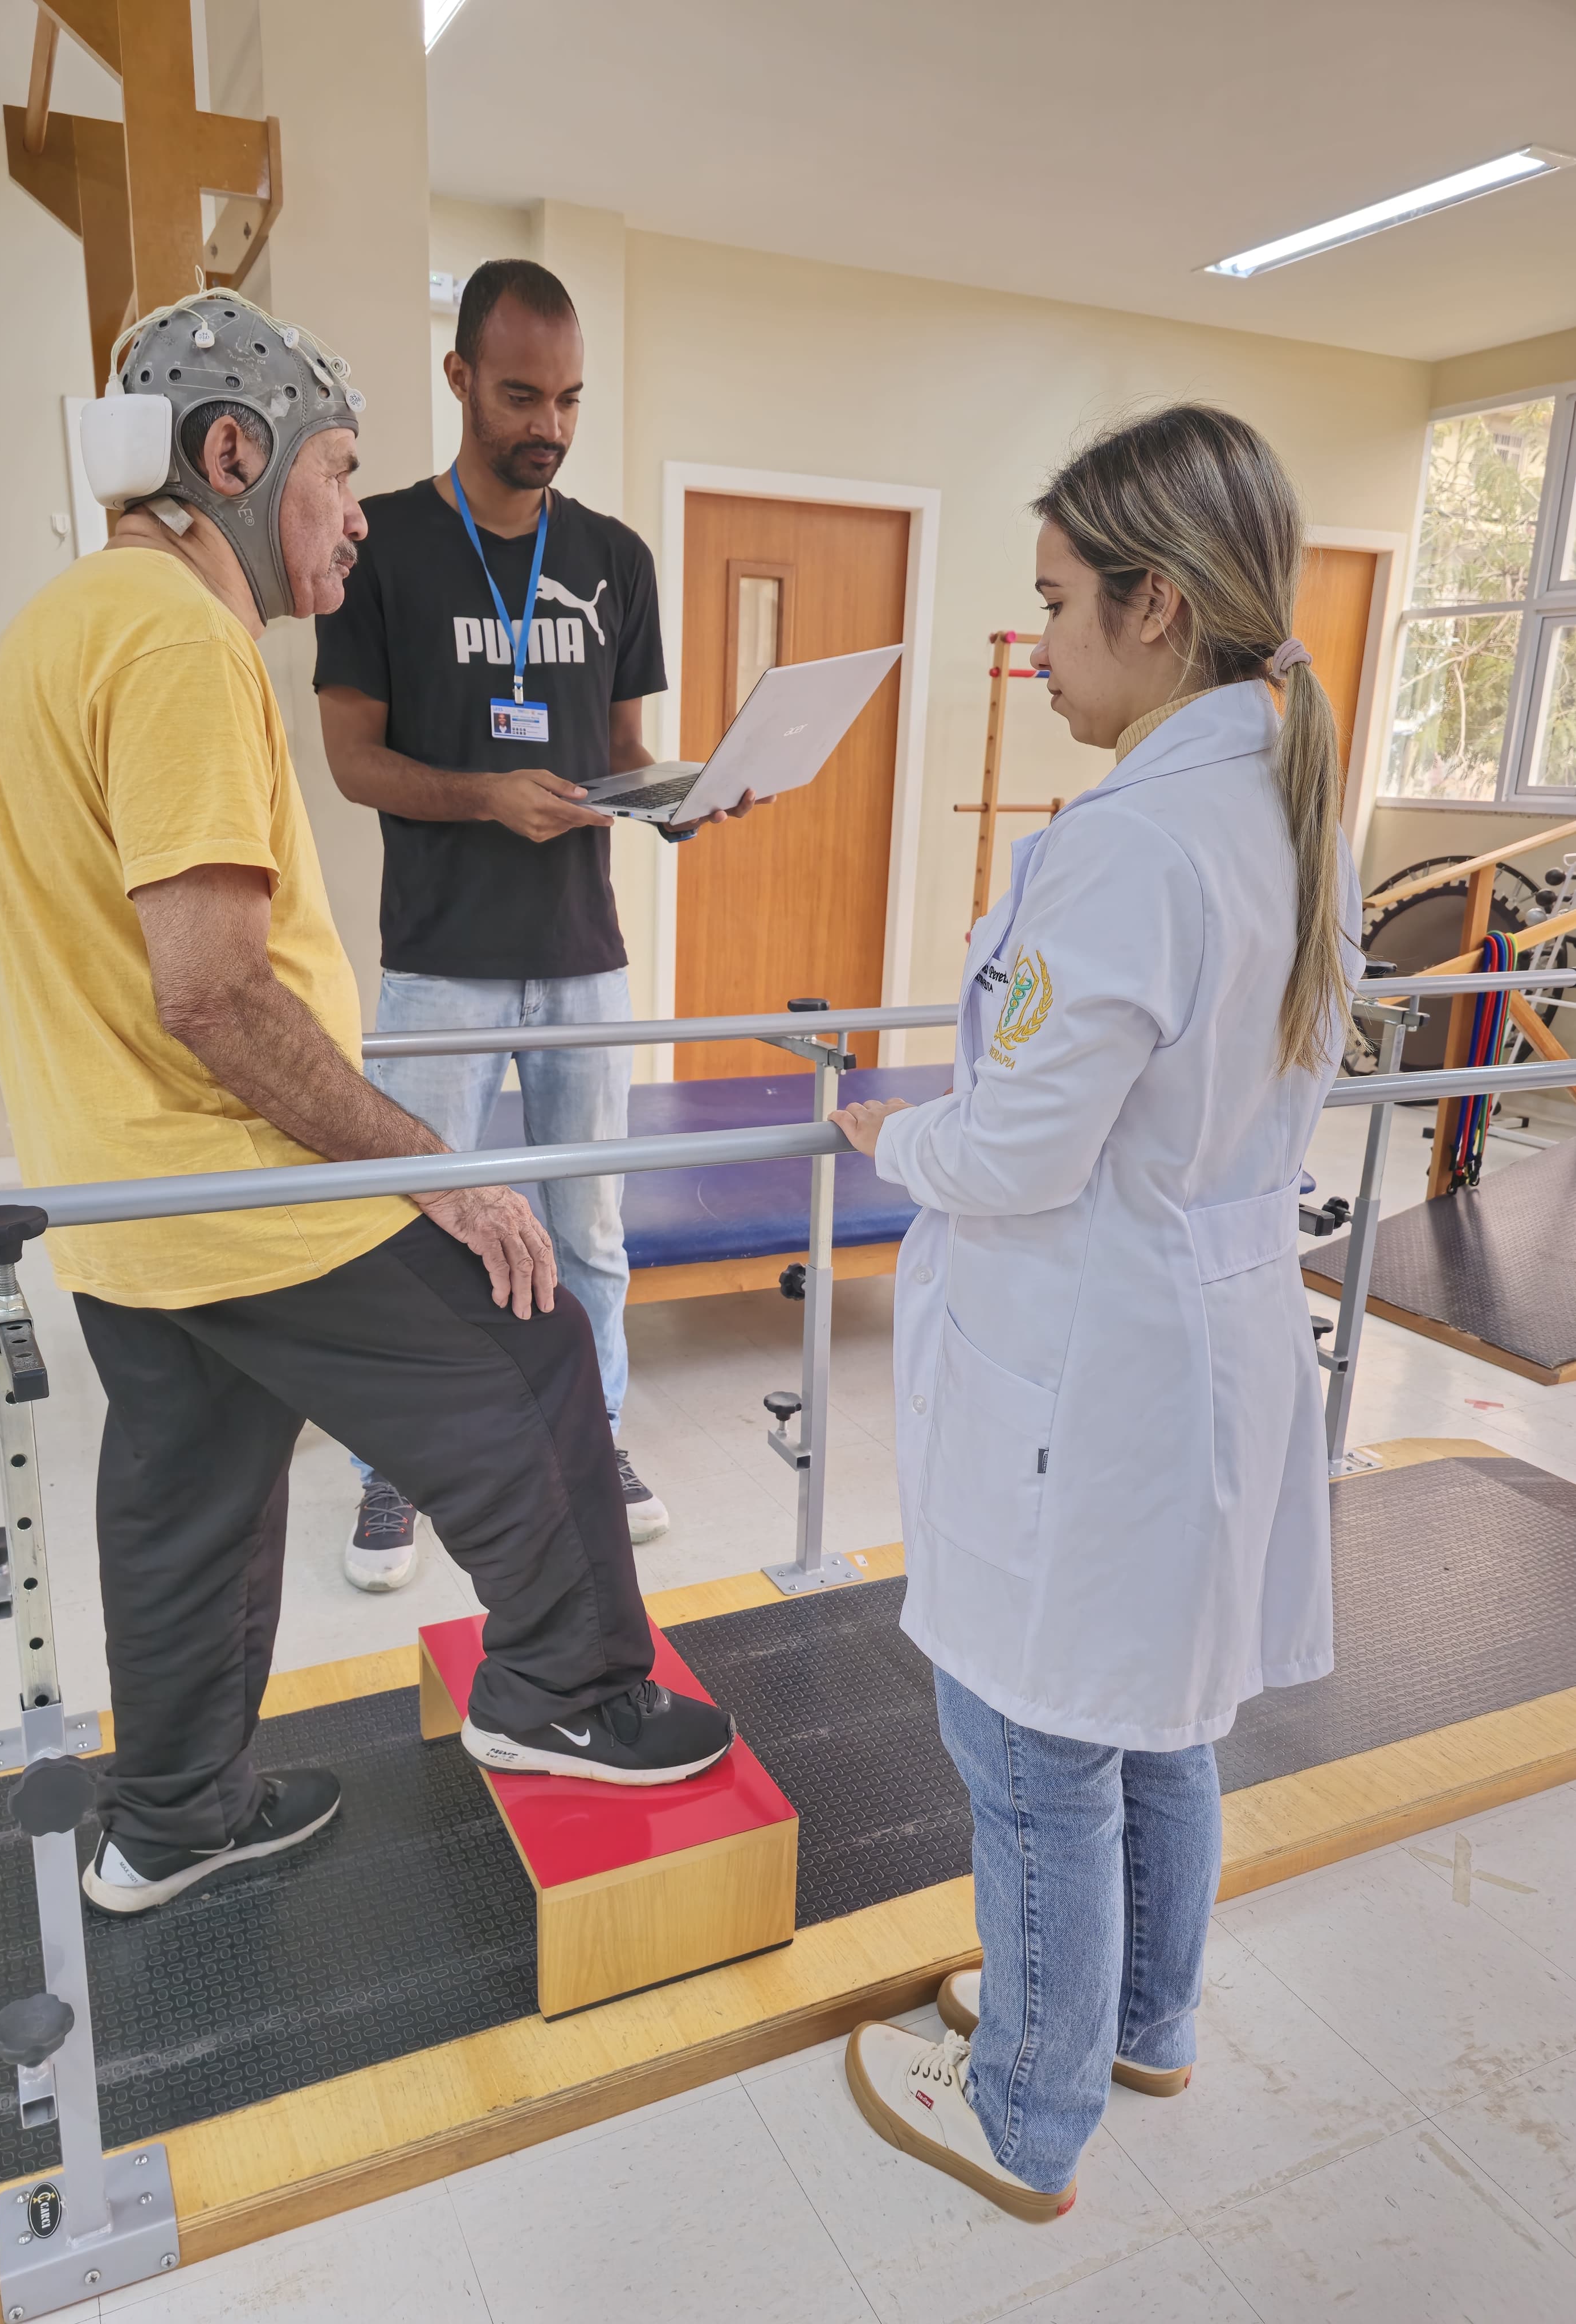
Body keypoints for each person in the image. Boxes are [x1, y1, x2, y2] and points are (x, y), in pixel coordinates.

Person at [0, 290, 734, 1920]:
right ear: (234, 455)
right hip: (233, 1179)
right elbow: (216, 991)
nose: (351, 523)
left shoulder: (58, 624)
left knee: (198, 1494)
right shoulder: (178, 638)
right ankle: (564, 1693)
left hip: (121, 1203)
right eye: (335, 476)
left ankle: (171, 1820)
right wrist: (429, 1167)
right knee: (522, 1333)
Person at [830, 406, 1359, 2220]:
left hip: (1099, 1355)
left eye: (1055, 603)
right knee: (1158, 1716)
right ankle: (1143, 2020)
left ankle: (1026, 2115)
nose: (1039, 642)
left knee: (1031, 1739)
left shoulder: (1132, 843)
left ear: (1149, 606)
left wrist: (892, 1132)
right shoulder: (1280, 801)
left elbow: (1025, 1153)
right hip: (1199, 1331)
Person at [315, 259, 764, 1592]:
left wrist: (682, 799)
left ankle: (594, 1437)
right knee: (417, 1228)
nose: (549, 426)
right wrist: (479, 800)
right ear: (459, 379)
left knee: (591, 1232)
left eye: (568, 399)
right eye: (521, 395)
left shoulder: (615, 559)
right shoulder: (382, 544)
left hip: (582, 958)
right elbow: (352, 760)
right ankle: (394, 1470)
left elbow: (623, 751)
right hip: (441, 958)